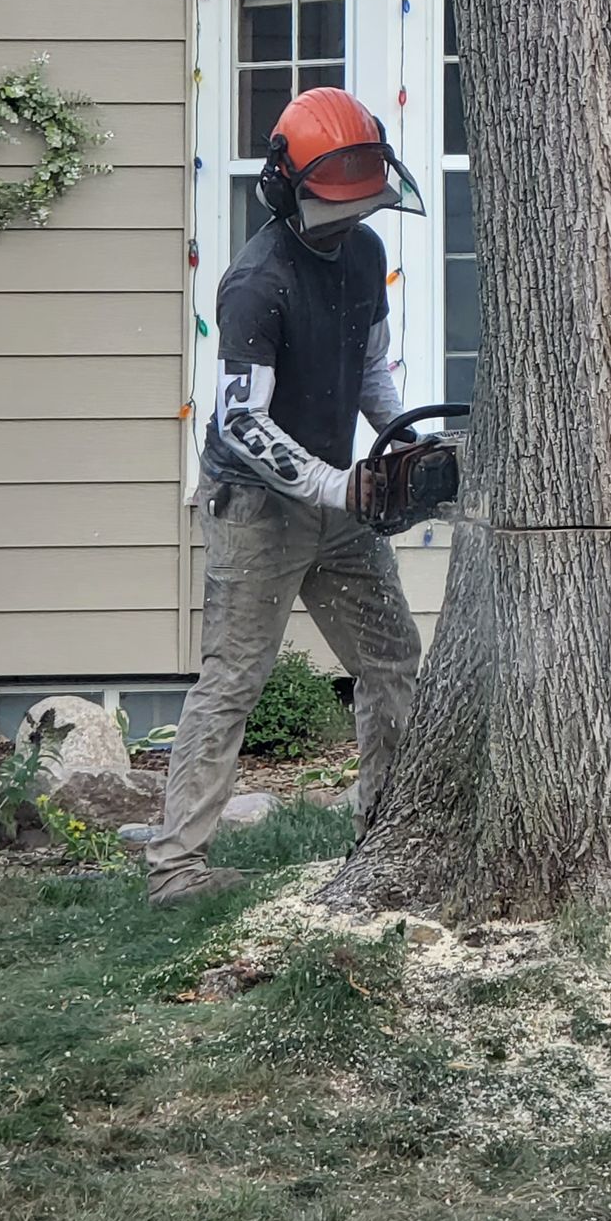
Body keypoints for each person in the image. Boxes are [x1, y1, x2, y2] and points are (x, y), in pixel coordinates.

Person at [146, 87, 427, 906]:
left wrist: (397, 434)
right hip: (256, 509)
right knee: (233, 679)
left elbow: (370, 365)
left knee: (394, 663)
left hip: (340, 502)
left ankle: (389, 828)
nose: (346, 221)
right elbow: (242, 424)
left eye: (359, 205)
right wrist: (339, 483)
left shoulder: (366, 254)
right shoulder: (254, 282)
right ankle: (176, 868)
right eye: (334, 207)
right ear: (287, 185)